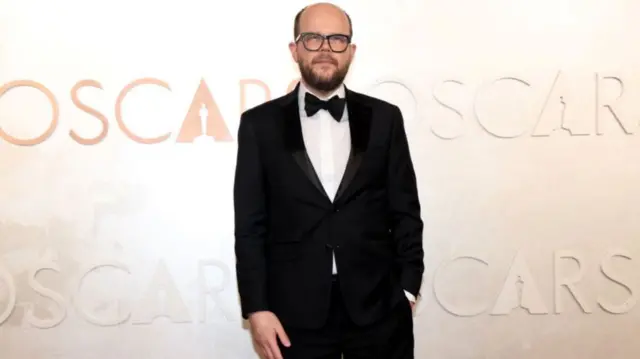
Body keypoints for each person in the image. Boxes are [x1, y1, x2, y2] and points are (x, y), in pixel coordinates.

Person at [233, 3, 424, 358]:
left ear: (351, 51)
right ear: (295, 49)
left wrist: (407, 288)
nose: (325, 48)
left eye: (337, 39)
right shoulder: (260, 125)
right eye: (312, 38)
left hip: (379, 309)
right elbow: (250, 225)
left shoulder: (385, 119)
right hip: (293, 316)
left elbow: (406, 211)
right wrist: (257, 308)